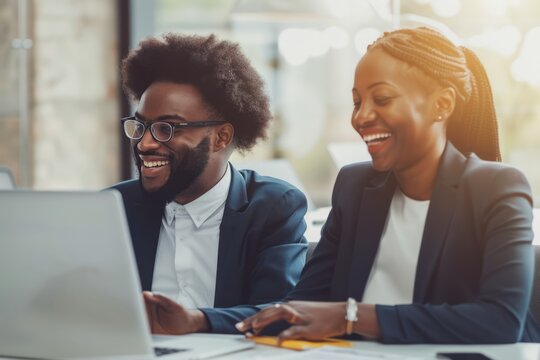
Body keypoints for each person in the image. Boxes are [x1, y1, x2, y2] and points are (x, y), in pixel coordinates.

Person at [237, 27, 540, 343]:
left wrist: (350, 317)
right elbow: (299, 307)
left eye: (382, 98)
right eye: (357, 102)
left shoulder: (496, 187)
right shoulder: (354, 187)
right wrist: (197, 319)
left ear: (442, 104)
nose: (361, 117)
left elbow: (501, 321)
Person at [111, 33, 307, 335]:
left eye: (167, 128)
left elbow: (279, 311)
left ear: (221, 138)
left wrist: (197, 321)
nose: (145, 143)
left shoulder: (272, 208)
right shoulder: (113, 207)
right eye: (141, 126)